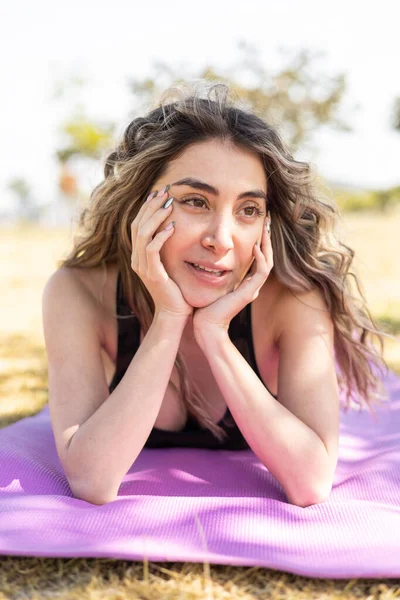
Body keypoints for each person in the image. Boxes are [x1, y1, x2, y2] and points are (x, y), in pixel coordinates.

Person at [42, 80, 390, 508]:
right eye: (195, 202)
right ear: (140, 206)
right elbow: (92, 479)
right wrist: (169, 317)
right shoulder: (78, 292)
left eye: (248, 210)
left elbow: (311, 481)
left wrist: (214, 334)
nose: (222, 239)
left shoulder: (293, 298)